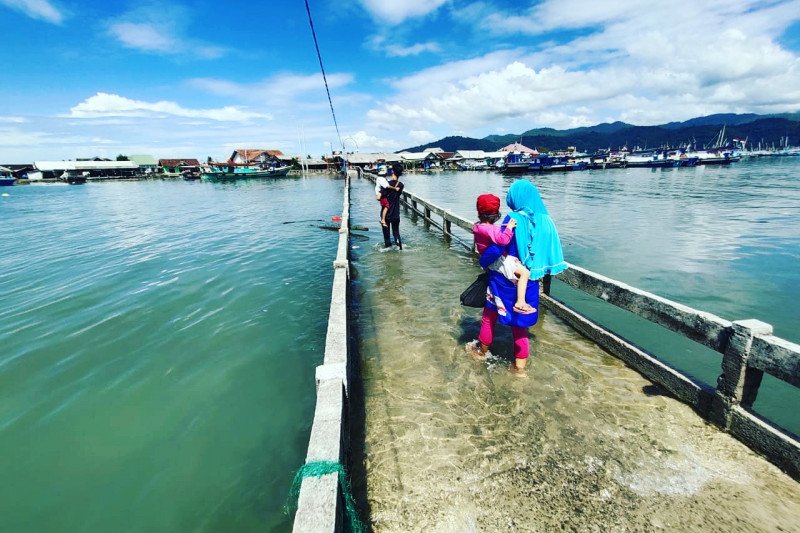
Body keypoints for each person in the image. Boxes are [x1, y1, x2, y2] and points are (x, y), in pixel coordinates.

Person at [467, 180, 567, 375]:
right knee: (520, 327)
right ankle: (519, 370)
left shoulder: (513, 218)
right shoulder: (547, 221)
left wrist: (483, 261)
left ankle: (481, 351)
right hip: (528, 281)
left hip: (502, 282)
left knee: (489, 317)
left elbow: (497, 249)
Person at [472, 193, 534, 315]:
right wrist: (509, 228)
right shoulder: (490, 229)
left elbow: (491, 235)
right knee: (525, 273)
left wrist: (503, 228)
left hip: (490, 260)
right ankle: (520, 302)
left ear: (478, 212)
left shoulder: (478, 226)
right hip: (496, 261)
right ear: (496, 214)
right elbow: (503, 240)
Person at [381, 163, 405, 249]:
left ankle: (388, 256)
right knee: (396, 233)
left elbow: (380, 196)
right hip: (396, 213)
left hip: (386, 213)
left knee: (387, 236)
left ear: (392, 172)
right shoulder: (401, 185)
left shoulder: (386, 184)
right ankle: (400, 249)